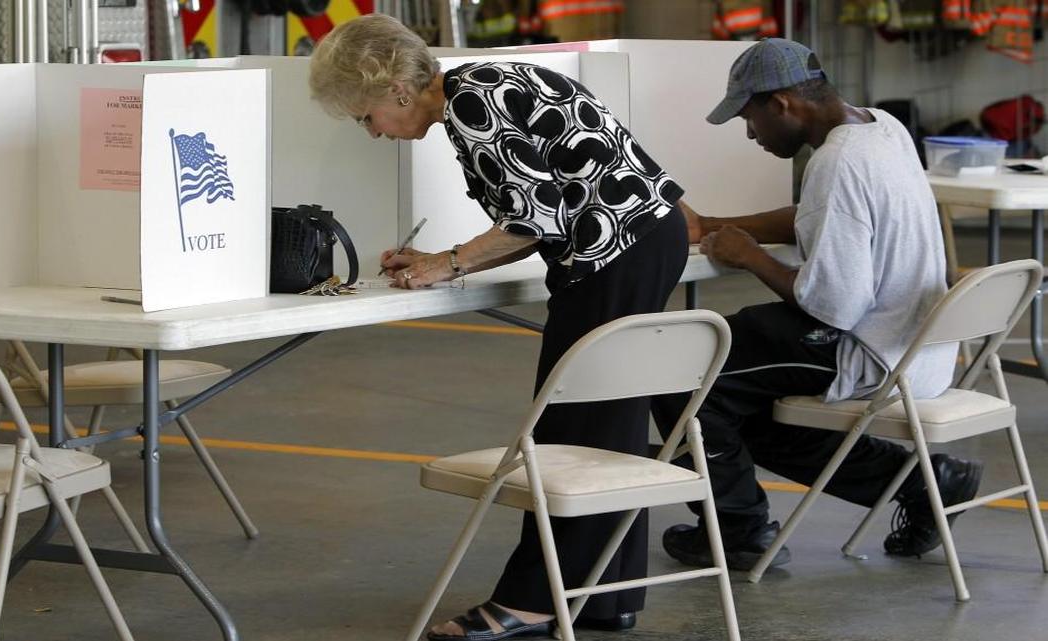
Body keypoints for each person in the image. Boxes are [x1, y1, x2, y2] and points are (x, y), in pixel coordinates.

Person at [309, 14, 690, 641]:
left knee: (573, 431)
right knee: (608, 425)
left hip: (616, 252)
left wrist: (449, 262)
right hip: (640, 239)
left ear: (396, 92)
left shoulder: (475, 103)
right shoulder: (487, 87)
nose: (372, 132)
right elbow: (543, 214)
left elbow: (532, 218)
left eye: (364, 115)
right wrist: (447, 259)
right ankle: (601, 597)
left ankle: (534, 601)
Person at [651, 38, 983, 572]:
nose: (749, 132)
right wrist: (714, 226)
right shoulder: (880, 127)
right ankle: (925, 482)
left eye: (749, 117)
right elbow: (818, 215)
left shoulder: (835, 162)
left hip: (869, 349)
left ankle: (738, 531)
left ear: (781, 103)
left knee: (679, 369)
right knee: (737, 410)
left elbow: (835, 307)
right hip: (919, 346)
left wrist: (751, 257)